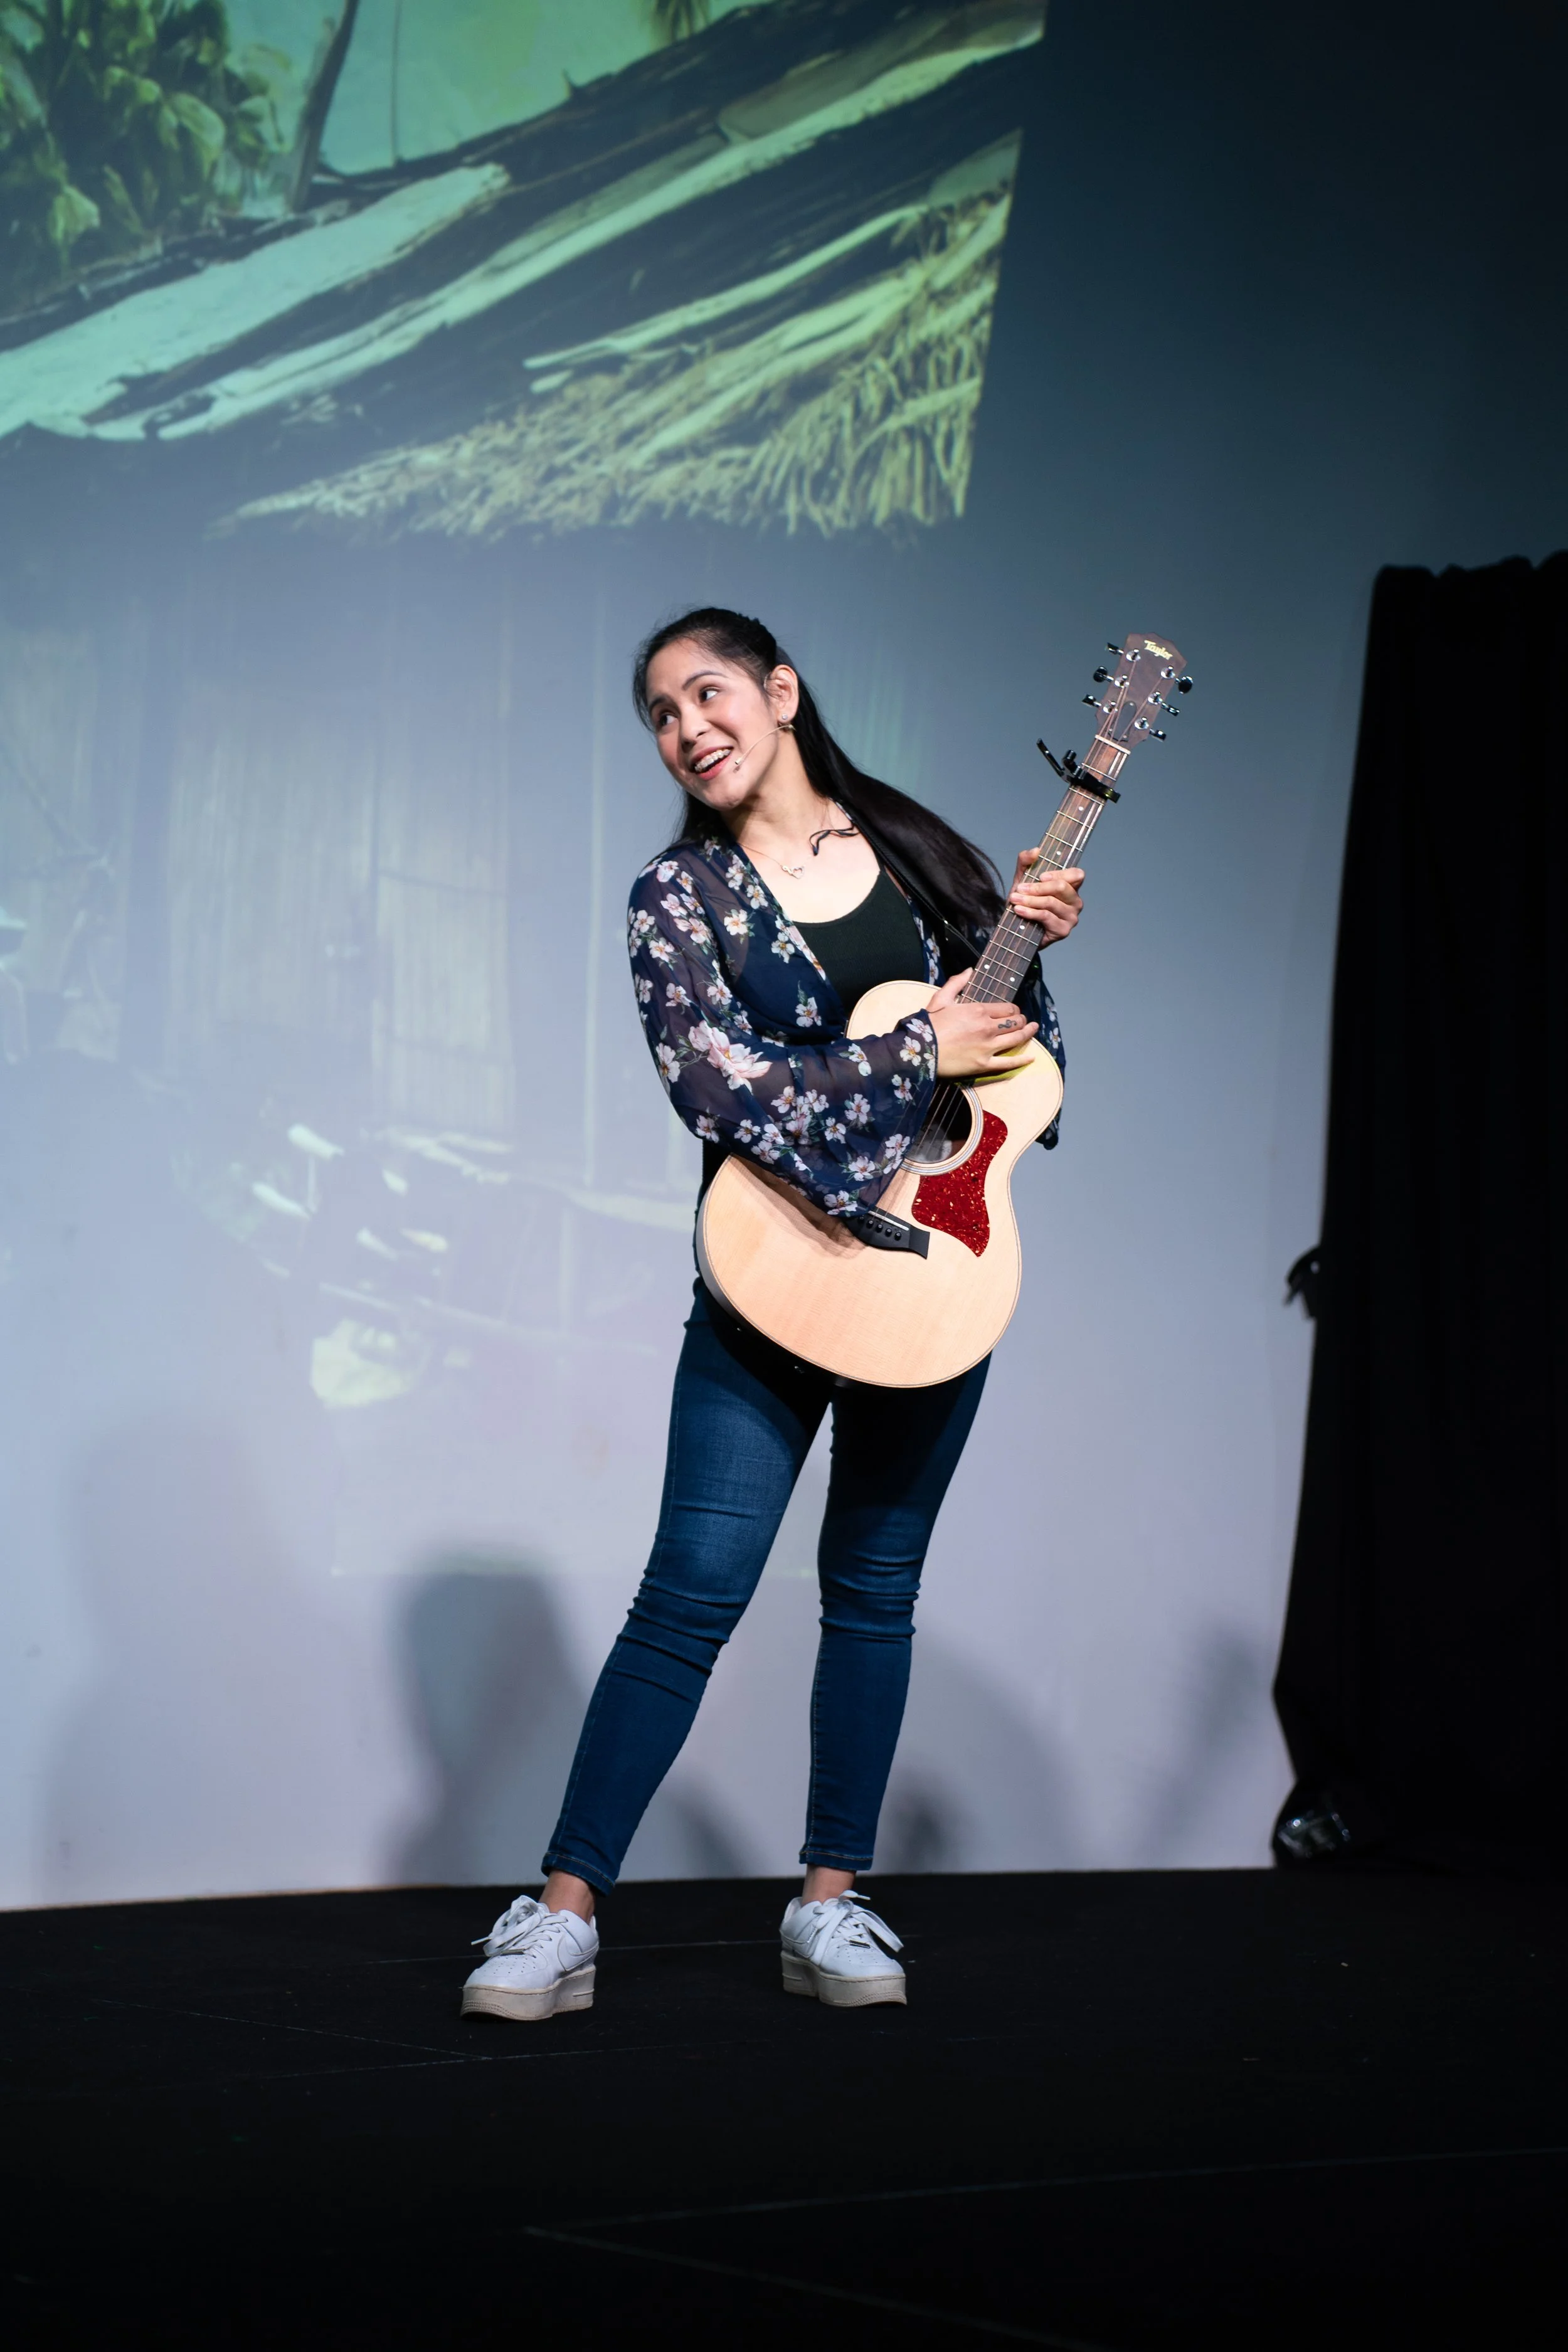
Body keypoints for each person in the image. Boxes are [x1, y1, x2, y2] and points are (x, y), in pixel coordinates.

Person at [461, 608, 1084, 2021]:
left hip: (933, 1269)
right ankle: (558, 1915)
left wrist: (1025, 954)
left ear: (781, 693)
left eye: (707, 693)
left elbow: (1006, 1071)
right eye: (662, 715)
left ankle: (831, 1903)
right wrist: (918, 1040)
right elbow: (720, 1090)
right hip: (769, 1274)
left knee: (873, 1594)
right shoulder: (673, 898)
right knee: (689, 1594)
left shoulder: (920, 854)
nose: (687, 728)